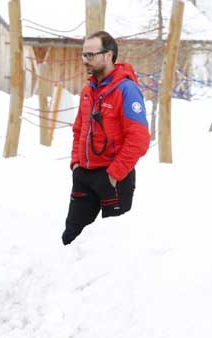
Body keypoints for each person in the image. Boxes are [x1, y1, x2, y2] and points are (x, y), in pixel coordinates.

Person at [62, 31, 150, 245]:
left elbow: (139, 139)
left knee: (110, 248)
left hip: (113, 179)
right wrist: (76, 164)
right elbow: (78, 129)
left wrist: (114, 174)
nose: (85, 60)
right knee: (71, 239)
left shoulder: (126, 90)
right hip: (84, 176)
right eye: (84, 55)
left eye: (90, 55)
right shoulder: (87, 90)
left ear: (109, 55)